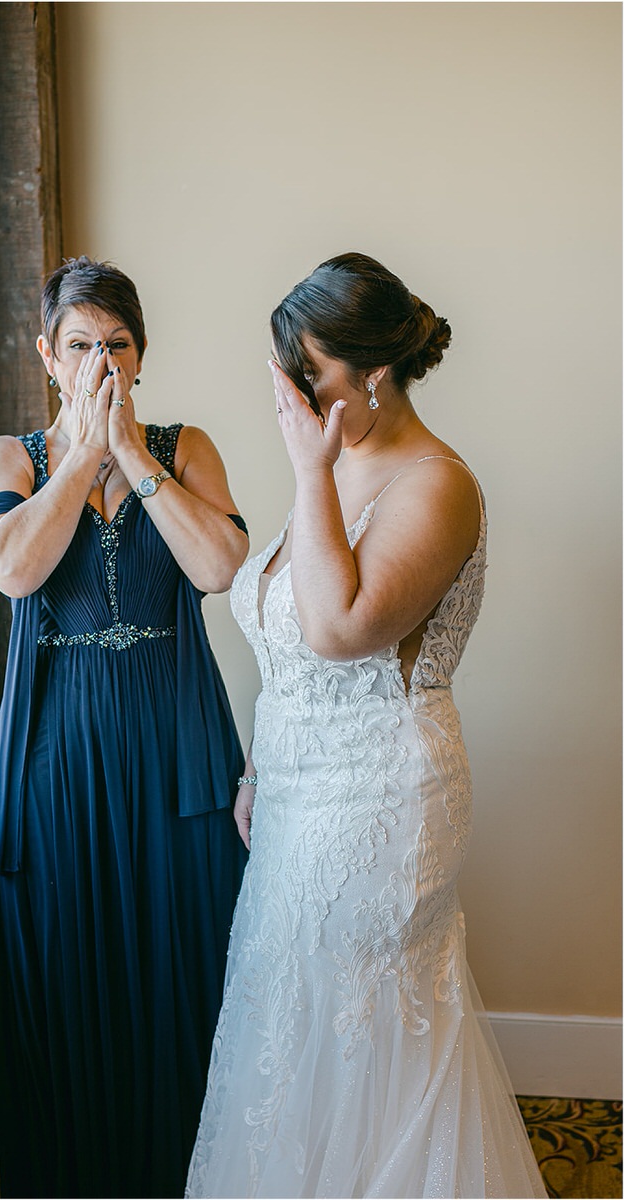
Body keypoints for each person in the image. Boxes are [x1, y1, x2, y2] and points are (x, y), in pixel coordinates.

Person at [186, 252, 547, 1199]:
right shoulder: (334, 470)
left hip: (384, 801)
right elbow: (284, 647)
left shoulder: (437, 485)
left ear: (370, 373)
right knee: (287, 1023)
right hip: (296, 800)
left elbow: (340, 630)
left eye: (310, 372)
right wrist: (264, 767)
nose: (297, 396)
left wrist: (306, 468)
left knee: (365, 1028)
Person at [0, 256, 249, 1199]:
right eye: (79, 345)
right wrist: (83, 452)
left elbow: (218, 570)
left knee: (190, 972)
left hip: (176, 748)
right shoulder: (7, 458)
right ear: (49, 355)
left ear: (140, 355)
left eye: (116, 345)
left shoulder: (188, 447)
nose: (99, 362)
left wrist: (130, 452)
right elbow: (12, 568)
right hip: (59, 758)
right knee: (68, 978)